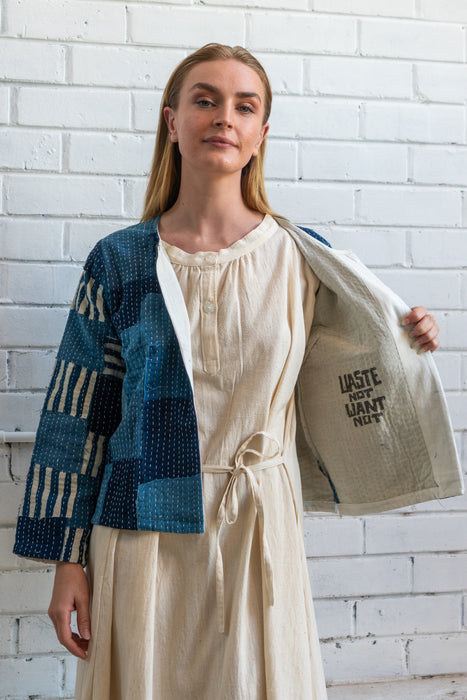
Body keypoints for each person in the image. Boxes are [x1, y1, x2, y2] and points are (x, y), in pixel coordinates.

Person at [13, 43, 462, 700]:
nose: (224, 116)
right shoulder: (120, 261)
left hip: (258, 527)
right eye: (205, 100)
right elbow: (79, 416)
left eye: (244, 106)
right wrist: (67, 562)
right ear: (172, 121)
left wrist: (410, 334)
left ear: (261, 134)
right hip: (140, 533)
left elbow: (363, 353)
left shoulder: (302, 258)